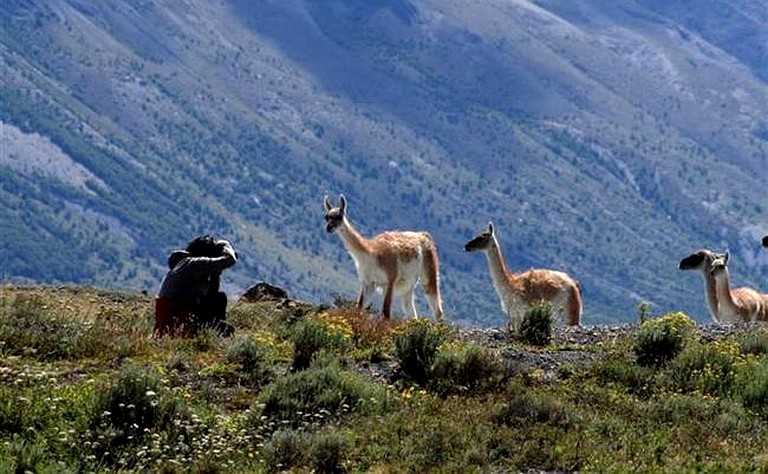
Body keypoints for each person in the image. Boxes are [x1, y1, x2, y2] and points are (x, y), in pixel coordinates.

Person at [154, 235, 237, 337]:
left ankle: (209, 335)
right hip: (176, 325)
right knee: (227, 330)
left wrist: (215, 273)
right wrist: (225, 244)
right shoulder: (192, 263)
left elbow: (211, 296)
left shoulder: (187, 267)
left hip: (173, 324)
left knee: (219, 298)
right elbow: (229, 260)